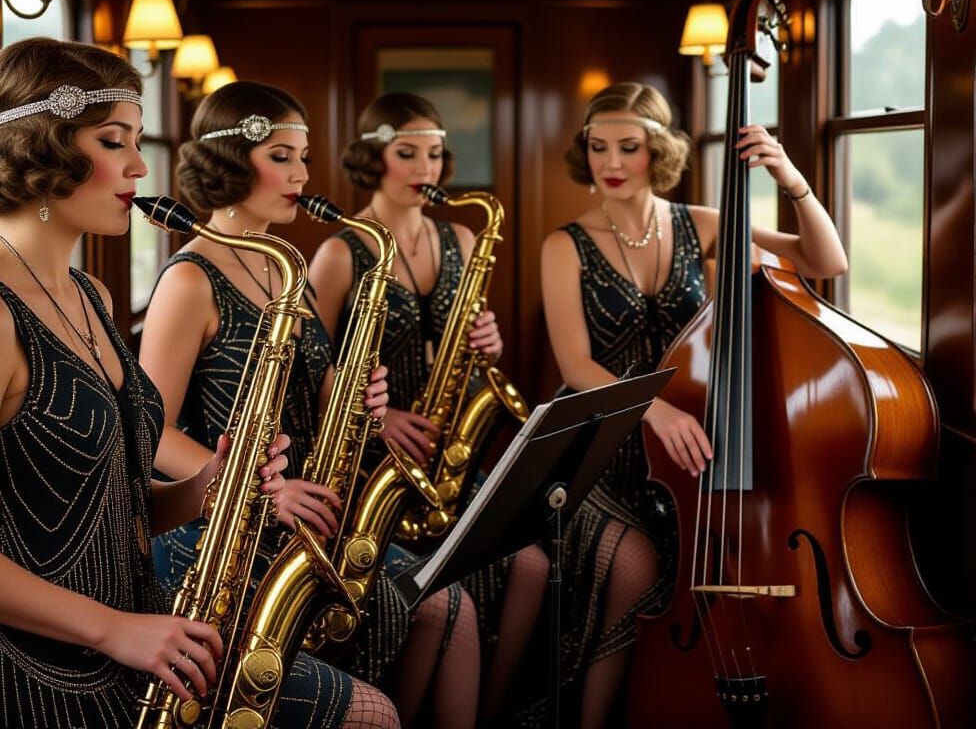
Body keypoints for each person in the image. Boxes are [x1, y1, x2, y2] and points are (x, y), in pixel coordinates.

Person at [0, 38, 290, 728]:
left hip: (120, 639)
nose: (141, 166)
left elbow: (109, 499)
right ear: (43, 150)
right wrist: (115, 629)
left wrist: (204, 490)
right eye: (115, 142)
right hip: (27, 678)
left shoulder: (91, 294)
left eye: (137, 141)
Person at [138, 81, 479, 729]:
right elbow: (149, 433)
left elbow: (310, 377)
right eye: (282, 157)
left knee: (442, 603)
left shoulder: (285, 260)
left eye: (304, 158)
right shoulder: (190, 279)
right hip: (220, 537)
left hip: (295, 515)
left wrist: (353, 399)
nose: (301, 175)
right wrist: (266, 493)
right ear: (231, 162)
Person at [537, 81, 848, 728]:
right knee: (635, 572)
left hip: (686, 451)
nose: (612, 163)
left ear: (660, 151)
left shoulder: (701, 223)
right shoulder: (563, 244)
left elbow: (827, 258)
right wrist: (655, 408)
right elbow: (575, 366)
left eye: (630, 146)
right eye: (599, 147)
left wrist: (790, 177)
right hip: (603, 442)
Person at [308, 92, 551, 727]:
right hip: (370, 467)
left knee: (531, 564)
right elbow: (312, 369)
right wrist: (380, 418)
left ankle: (495, 708)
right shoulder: (341, 251)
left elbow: (469, 356)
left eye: (435, 154)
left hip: (447, 455)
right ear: (374, 158)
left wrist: (487, 345)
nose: (425, 168)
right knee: (451, 595)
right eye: (406, 152)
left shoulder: (463, 238)